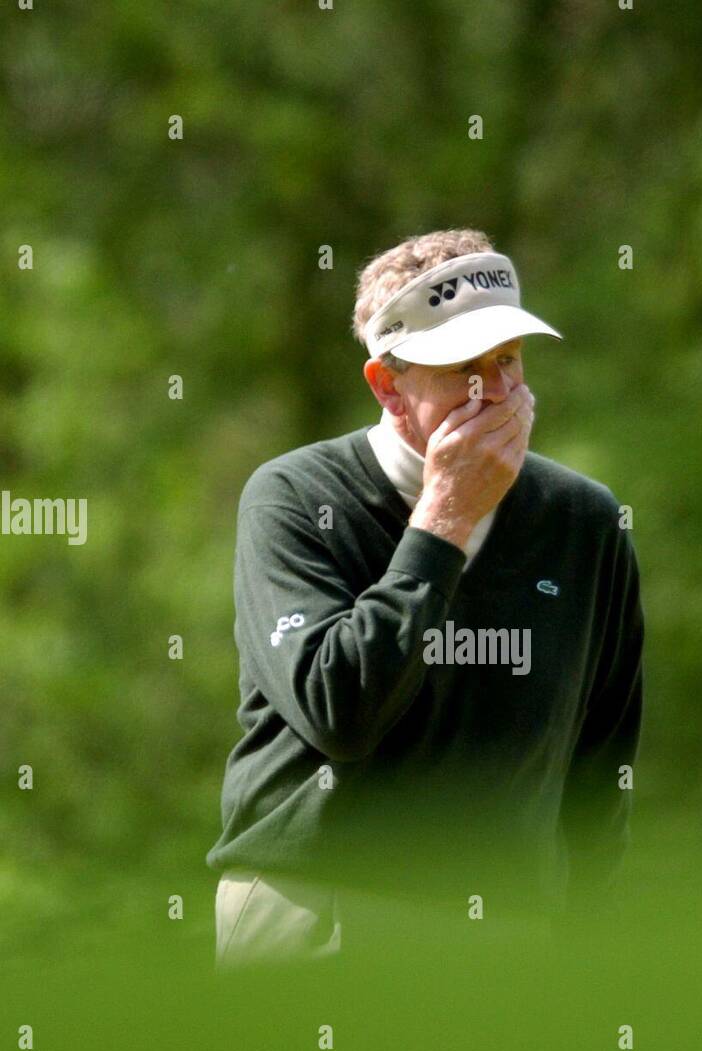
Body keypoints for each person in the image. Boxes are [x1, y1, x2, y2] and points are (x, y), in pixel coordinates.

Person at [207, 228, 644, 967]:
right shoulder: (294, 497)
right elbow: (338, 709)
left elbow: (599, 763)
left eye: (507, 360)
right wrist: (446, 516)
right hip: (318, 910)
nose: (498, 393)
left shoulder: (584, 520)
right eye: (463, 369)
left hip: (510, 928)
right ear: (387, 386)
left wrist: (589, 947)